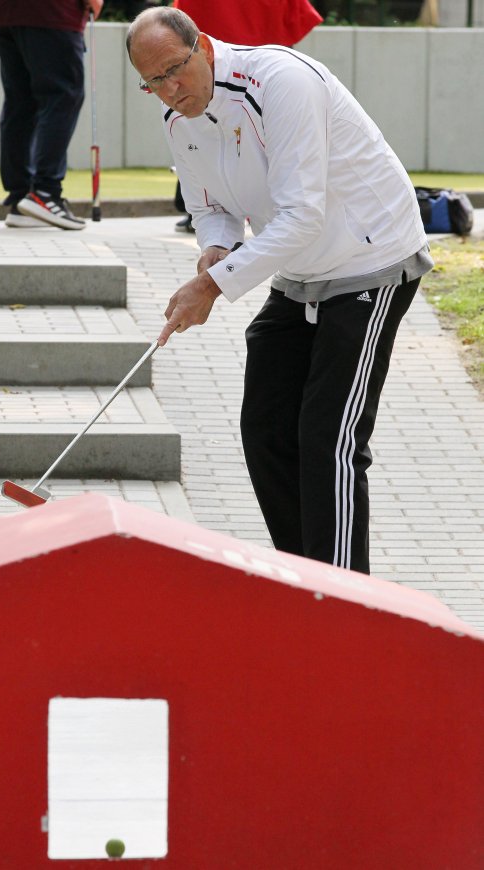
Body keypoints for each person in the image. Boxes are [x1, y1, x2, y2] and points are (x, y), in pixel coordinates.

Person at [126, 7, 433, 575]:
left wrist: (212, 286)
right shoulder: (180, 122)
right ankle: (306, 578)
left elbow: (302, 215)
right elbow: (211, 208)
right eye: (153, 83)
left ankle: (344, 604)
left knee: (329, 437)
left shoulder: (280, 83)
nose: (169, 91)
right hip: (302, 269)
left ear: (205, 48)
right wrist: (216, 249)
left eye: (175, 70)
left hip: (372, 258)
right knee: (265, 425)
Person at [171, 0, 322, 232]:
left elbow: (178, 26)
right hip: (263, 72)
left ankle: (210, 211)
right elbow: (297, 19)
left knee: (205, 136)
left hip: (214, 71)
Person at [0, 0, 103, 230]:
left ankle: (21, 199)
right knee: (63, 95)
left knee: (20, 100)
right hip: (52, 9)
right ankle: (44, 192)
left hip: (2, 10)